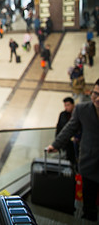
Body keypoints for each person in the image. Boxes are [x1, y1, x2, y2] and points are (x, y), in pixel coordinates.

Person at [47, 79, 99, 222]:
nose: (98, 98)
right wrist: (55, 145)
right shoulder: (83, 109)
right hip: (88, 162)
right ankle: (88, 216)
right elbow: (70, 128)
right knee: (88, 198)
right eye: (95, 93)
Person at [55, 97, 78, 169]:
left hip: (77, 142)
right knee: (69, 159)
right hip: (66, 142)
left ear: (73, 105)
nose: (66, 107)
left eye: (68, 105)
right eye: (65, 105)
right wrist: (57, 142)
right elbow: (59, 128)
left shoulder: (78, 114)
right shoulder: (62, 115)